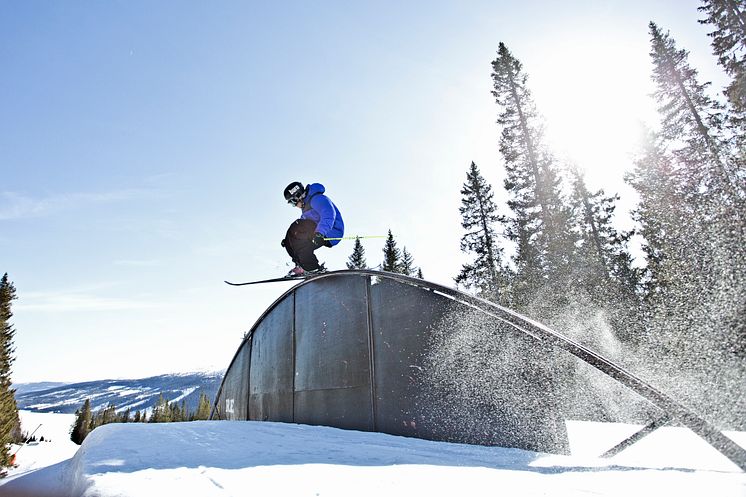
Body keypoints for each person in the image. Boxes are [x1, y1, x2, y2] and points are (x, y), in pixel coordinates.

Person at [281, 181, 344, 277]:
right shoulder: (306, 206)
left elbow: (329, 215)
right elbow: (304, 222)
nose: (294, 206)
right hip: (318, 231)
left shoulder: (317, 199)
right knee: (292, 235)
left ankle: (311, 267)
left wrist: (320, 233)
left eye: (293, 203)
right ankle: (301, 266)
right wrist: (288, 241)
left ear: (298, 196)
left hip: (331, 231)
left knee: (296, 228)